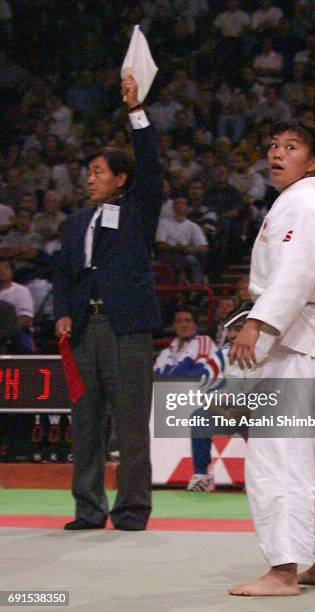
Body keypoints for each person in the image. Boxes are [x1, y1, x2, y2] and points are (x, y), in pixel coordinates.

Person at [228, 120, 315, 596]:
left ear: (314, 161)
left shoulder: (302, 205)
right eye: (274, 145)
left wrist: (259, 322)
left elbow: (295, 274)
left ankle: (283, 571)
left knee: (277, 456)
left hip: (296, 344)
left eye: (291, 147)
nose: (277, 153)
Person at [53, 75, 163, 531]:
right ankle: (88, 508)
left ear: (121, 179)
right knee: (86, 422)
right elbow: (64, 271)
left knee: (132, 425)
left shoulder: (139, 209)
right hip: (85, 330)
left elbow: (151, 167)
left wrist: (136, 111)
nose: (91, 179)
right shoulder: (76, 221)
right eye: (90, 172)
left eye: (99, 172)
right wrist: (62, 310)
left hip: (127, 330)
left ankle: (133, 509)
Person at [187, 306, 250, 492]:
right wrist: (225, 413)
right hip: (226, 414)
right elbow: (205, 394)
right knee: (199, 417)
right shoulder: (219, 358)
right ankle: (201, 475)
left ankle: (262, 478)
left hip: (258, 415)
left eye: (239, 328)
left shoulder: (270, 356)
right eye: (229, 330)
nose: (232, 335)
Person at [153, 309, 217, 378]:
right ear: (174, 326)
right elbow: (154, 377)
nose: (184, 325)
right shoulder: (165, 353)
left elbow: (200, 372)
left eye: (188, 321)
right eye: (179, 321)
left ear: (195, 325)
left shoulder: (204, 341)